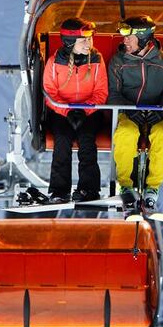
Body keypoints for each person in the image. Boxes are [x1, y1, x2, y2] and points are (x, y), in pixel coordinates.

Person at [108, 15, 163, 220]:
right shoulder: (118, 61)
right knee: (126, 133)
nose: (124, 41)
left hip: (157, 113)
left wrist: (162, 111)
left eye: (129, 37)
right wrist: (130, 110)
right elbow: (113, 94)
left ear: (144, 38)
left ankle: (152, 189)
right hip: (128, 114)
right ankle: (126, 187)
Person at [42, 17, 109, 202]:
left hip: (90, 112)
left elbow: (101, 91)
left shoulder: (96, 59)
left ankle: (89, 189)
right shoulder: (54, 63)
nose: (89, 44)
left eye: (90, 39)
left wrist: (84, 111)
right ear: (70, 43)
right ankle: (59, 191)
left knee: (87, 140)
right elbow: (50, 93)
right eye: (84, 40)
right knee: (62, 140)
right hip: (61, 112)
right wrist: (67, 111)